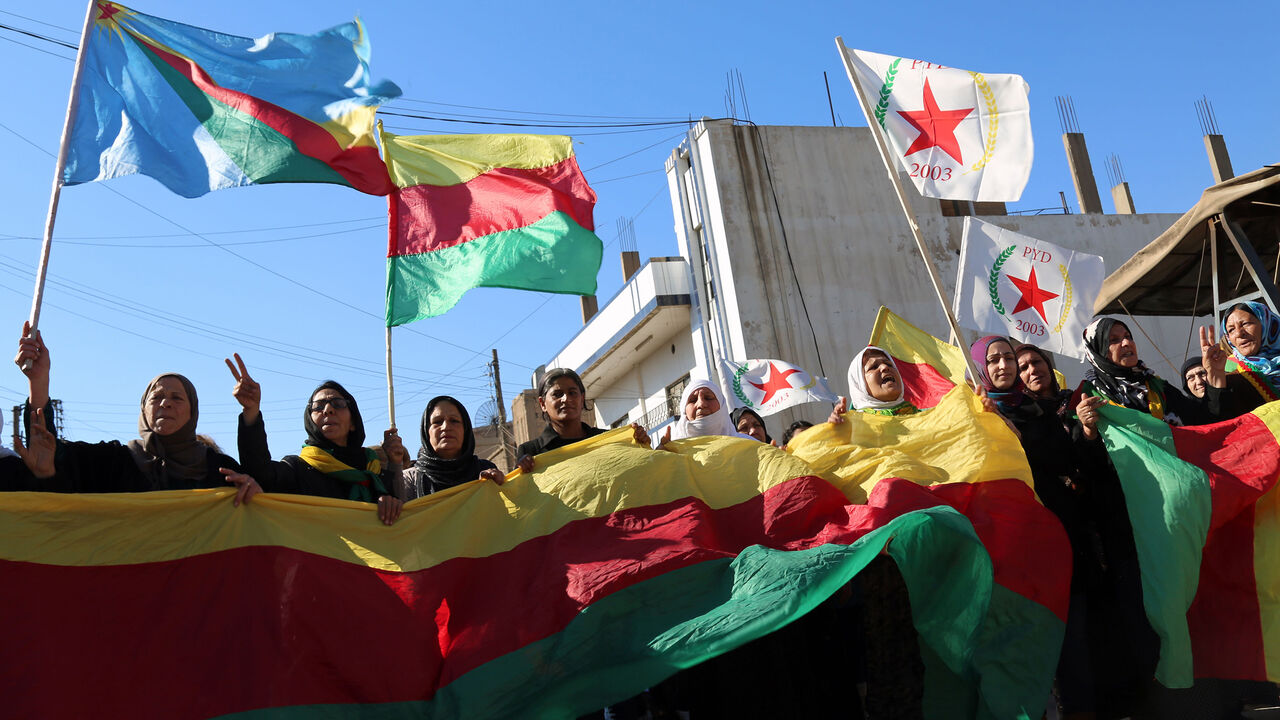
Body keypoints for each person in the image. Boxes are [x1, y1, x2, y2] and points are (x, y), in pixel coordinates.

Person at [11, 324, 257, 502]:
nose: (165, 404)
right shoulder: (117, 461)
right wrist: (39, 379)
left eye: (176, 398)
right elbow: (55, 456)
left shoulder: (220, 471)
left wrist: (256, 494)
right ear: (144, 408)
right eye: (157, 397)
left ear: (193, 412)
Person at [228, 354, 404, 525]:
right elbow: (260, 475)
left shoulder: (375, 472)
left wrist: (392, 501)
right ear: (310, 420)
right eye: (318, 406)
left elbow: (401, 523)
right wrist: (251, 411)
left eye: (338, 403)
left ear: (353, 422)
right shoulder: (298, 469)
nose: (328, 409)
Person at [1074, 317, 1226, 439]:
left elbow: (1206, 419)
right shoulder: (1091, 397)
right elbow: (1089, 461)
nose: (1126, 343)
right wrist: (1088, 429)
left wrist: (1215, 373)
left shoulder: (1156, 386)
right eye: (1114, 340)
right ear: (1098, 352)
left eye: (1127, 336)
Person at [516, 368, 649, 471]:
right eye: (557, 394)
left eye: (572, 393)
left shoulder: (607, 440)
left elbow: (640, 472)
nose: (566, 399)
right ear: (542, 403)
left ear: (582, 398)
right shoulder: (530, 452)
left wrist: (642, 445)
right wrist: (522, 470)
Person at [398, 395, 505, 500]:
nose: (446, 427)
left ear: (465, 430)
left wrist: (493, 488)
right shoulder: (410, 480)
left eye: (454, 421)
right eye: (437, 422)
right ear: (426, 431)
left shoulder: (485, 470)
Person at [1219, 301, 1280, 414]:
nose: (1239, 334)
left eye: (1246, 324)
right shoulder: (1227, 371)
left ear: (1267, 323)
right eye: (1231, 330)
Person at [828, 346, 917, 423]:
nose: (885, 367)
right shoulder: (854, 425)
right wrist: (837, 433)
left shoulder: (925, 418)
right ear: (859, 385)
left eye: (889, 364)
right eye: (874, 367)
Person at [662, 379, 754, 442]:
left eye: (708, 398)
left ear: (722, 406)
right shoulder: (671, 452)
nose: (701, 404)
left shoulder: (751, 447)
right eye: (693, 400)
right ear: (684, 411)